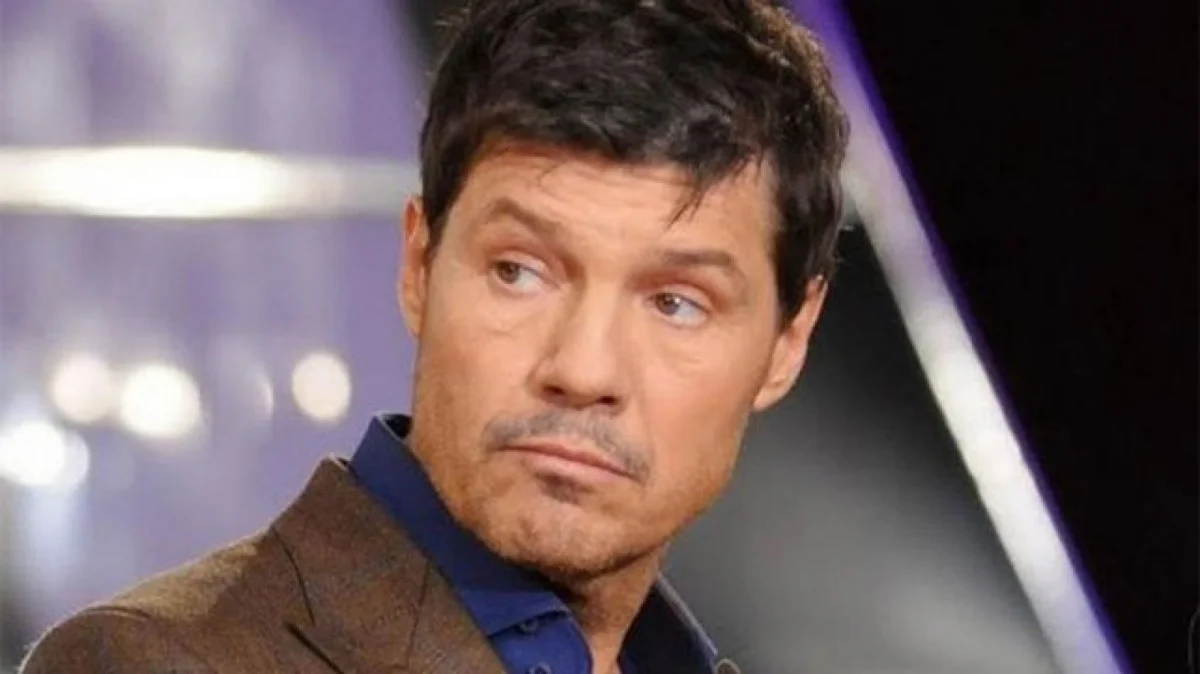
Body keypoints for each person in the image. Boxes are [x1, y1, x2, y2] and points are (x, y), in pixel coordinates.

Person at [21, 0, 847, 671]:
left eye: (676, 303)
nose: (584, 368)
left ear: (788, 342)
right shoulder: (156, 661)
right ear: (419, 264)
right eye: (519, 271)